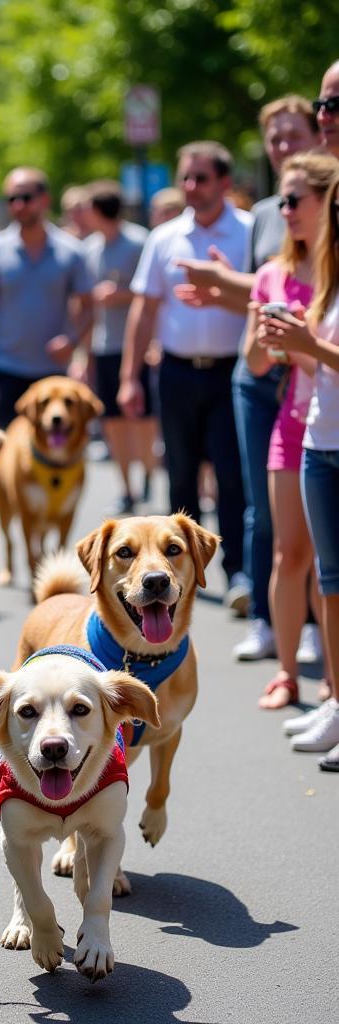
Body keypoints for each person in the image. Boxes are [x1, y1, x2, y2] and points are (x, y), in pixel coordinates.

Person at [172, 98, 320, 657]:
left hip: (314, 373)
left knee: (311, 509)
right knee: (263, 507)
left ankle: (309, 625)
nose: (283, 147)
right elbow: (266, 292)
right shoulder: (266, 211)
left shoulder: (322, 204)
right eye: (274, 139)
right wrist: (224, 286)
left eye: (292, 134)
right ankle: (267, 615)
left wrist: (224, 283)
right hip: (259, 375)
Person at [119, 142, 251, 611]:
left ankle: (238, 571)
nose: (192, 187)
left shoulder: (250, 233)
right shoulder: (165, 237)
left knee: (233, 476)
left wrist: (223, 290)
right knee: (180, 474)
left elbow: (262, 301)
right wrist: (129, 376)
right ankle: (179, 575)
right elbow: (144, 307)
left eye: (202, 178)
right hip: (175, 371)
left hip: (231, 372)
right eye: (186, 178)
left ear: (224, 182)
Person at [241, 153, 339, 709]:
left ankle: (333, 678)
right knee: (289, 553)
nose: (286, 211)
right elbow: (257, 364)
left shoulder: (334, 271)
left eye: (295, 199)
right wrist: (262, 331)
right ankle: (286, 673)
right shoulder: (271, 273)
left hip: (331, 419)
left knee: (332, 564)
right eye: (281, 200)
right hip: (291, 423)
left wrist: (302, 345)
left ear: (327, 201)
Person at [267, 168, 339, 770]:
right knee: (328, 580)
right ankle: (333, 698)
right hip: (318, 438)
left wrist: (309, 348)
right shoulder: (323, 277)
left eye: (298, 201)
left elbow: (323, 355)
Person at [0, 166, 93, 428]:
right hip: (6, 368)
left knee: (53, 457)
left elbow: (89, 308)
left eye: (25, 198)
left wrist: (72, 342)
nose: (18, 205)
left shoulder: (72, 252)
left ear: (44, 200)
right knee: (3, 454)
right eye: (11, 199)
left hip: (54, 374)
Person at [78, 180, 155, 513]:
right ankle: (127, 487)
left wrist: (119, 294)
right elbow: (84, 304)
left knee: (141, 417)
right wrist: (84, 353)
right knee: (112, 420)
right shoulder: (90, 249)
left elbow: (150, 293)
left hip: (137, 344)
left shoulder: (140, 242)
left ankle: (149, 475)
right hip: (105, 345)